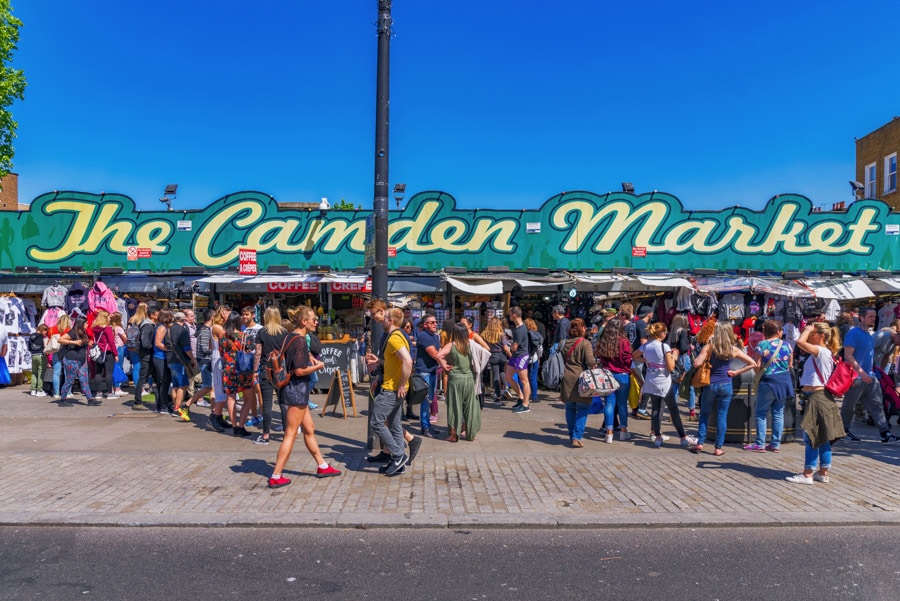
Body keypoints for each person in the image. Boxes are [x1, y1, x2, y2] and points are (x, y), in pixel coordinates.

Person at [268, 306, 341, 488]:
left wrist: (310, 357)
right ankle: (276, 475)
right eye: (313, 319)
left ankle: (322, 465)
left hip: (293, 391)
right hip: (296, 391)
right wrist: (318, 366)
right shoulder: (300, 340)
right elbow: (300, 370)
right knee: (290, 434)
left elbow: (294, 356)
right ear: (304, 321)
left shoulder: (290, 336)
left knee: (309, 429)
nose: (316, 322)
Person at [786, 322, 846, 484]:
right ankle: (823, 472)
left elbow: (799, 343)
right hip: (822, 396)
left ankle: (807, 474)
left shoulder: (821, 351)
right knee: (823, 437)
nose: (809, 337)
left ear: (821, 336)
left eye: (812, 334)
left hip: (816, 397)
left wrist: (806, 329)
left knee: (811, 436)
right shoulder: (824, 353)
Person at [689, 322, 756, 456]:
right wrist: (736, 372)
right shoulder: (733, 349)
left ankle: (700, 443)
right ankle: (718, 448)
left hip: (710, 384)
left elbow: (697, 363)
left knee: (704, 414)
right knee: (722, 416)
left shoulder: (709, 347)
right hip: (726, 384)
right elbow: (752, 363)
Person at [364, 306, 414, 476]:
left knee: (376, 422)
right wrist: (379, 362)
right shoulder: (398, 336)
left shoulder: (395, 338)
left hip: (392, 389)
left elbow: (407, 361)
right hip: (394, 387)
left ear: (391, 321)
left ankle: (399, 455)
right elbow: (395, 362)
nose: (382, 321)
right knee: (394, 425)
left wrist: (401, 384)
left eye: (384, 318)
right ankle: (397, 461)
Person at [839, 307, 900, 443]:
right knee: (850, 405)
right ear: (861, 317)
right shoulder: (854, 333)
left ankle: (885, 433)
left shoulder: (869, 334)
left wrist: (876, 373)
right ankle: (843, 430)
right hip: (857, 377)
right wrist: (861, 372)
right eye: (870, 316)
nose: (874, 319)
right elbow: (848, 356)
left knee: (877, 405)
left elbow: (878, 356)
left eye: (874, 316)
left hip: (870, 377)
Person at [633, 322, 694, 448]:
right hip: (663, 381)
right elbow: (671, 367)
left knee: (655, 408)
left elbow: (634, 356)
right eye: (665, 332)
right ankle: (683, 437)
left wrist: (647, 360)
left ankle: (658, 437)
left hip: (651, 379)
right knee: (673, 409)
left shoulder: (646, 346)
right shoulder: (664, 346)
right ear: (661, 334)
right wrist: (674, 356)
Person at [744, 320, 794, 453]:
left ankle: (760, 443)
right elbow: (790, 365)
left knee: (761, 413)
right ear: (778, 332)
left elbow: (757, 365)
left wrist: (759, 374)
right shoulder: (787, 345)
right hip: (784, 381)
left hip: (768, 381)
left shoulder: (762, 345)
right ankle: (775, 444)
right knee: (778, 413)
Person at [436, 323, 481, 442]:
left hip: (455, 379)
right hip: (469, 379)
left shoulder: (451, 345)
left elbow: (438, 356)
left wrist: (445, 366)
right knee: (470, 407)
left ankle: (454, 435)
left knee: (455, 407)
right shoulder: (469, 344)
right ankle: (471, 434)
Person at [558, 318, 596, 447]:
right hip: (581, 379)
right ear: (583, 328)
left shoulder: (563, 343)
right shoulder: (585, 343)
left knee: (570, 408)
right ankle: (576, 436)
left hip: (566, 378)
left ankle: (571, 435)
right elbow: (591, 362)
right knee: (583, 409)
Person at [595, 318, 633, 443]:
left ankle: (609, 433)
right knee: (622, 404)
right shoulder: (624, 341)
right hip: (622, 374)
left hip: (607, 374)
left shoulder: (604, 341)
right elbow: (628, 358)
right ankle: (623, 431)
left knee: (609, 403)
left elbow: (599, 356)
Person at [220, 311, 255, 437]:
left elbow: (221, 352)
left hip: (228, 369)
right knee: (248, 398)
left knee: (231, 397)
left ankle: (234, 425)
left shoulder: (222, 336)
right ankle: (241, 425)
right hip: (243, 369)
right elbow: (250, 351)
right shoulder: (244, 336)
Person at [57, 317, 100, 407]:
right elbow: (60, 340)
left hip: (82, 360)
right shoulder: (73, 332)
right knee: (69, 380)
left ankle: (90, 399)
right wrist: (74, 342)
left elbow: (83, 343)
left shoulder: (83, 333)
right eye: (86, 323)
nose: (87, 324)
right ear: (81, 323)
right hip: (71, 360)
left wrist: (88, 343)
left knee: (84, 380)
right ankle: (63, 399)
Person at [166, 312, 197, 422]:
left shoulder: (169, 330)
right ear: (184, 320)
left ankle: (175, 406)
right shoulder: (182, 330)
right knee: (183, 385)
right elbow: (187, 348)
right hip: (180, 360)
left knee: (175, 385)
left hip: (170, 359)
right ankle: (177, 408)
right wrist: (193, 359)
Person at [414, 311, 441, 437]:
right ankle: (425, 427)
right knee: (425, 401)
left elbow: (439, 351)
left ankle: (428, 426)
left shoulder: (435, 336)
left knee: (429, 400)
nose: (435, 324)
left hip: (432, 371)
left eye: (436, 322)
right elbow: (435, 354)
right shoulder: (424, 336)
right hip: (424, 372)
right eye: (432, 322)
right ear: (425, 325)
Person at [667, 313, 696, 419]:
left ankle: (672, 412)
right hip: (683, 359)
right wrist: (690, 346)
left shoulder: (671, 333)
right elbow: (684, 347)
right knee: (688, 385)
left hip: (673, 359)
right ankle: (692, 412)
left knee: (674, 385)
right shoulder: (683, 332)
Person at [186, 309, 214, 410]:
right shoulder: (205, 330)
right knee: (207, 386)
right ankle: (187, 404)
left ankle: (215, 412)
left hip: (207, 361)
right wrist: (217, 349)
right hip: (205, 362)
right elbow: (205, 348)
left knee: (211, 388)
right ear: (212, 318)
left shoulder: (206, 329)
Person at [505, 306, 532, 414]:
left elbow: (515, 347)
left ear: (514, 315)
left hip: (521, 355)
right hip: (515, 356)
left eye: (510, 314)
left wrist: (509, 345)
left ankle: (526, 404)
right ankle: (520, 397)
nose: (509, 316)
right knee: (508, 376)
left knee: (524, 379)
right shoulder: (517, 328)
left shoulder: (520, 330)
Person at [132, 304, 157, 411]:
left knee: (154, 377)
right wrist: (154, 347)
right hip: (146, 355)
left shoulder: (148, 324)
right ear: (153, 315)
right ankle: (137, 402)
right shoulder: (148, 326)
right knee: (143, 378)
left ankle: (160, 399)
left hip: (147, 354)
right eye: (158, 313)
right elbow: (145, 342)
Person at [89, 310, 118, 400]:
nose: (110, 318)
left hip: (98, 351)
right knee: (109, 372)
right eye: (109, 316)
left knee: (98, 372)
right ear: (105, 318)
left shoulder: (95, 328)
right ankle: (109, 393)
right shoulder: (107, 328)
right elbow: (111, 342)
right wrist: (115, 354)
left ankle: (99, 392)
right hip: (107, 351)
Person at [151, 310, 174, 414]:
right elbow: (158, 343)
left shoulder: (163, 327)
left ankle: (160, 404)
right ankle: (162, 405)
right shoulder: (162, 328)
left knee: (163, 382)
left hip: (161, 357)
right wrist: (169, 349)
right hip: (160, 357)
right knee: (163, 382)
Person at [481, 317, 508, 403]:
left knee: (496, 375)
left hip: (493, 356)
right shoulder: (501, 334)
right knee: (502, 372)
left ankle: (498, 396)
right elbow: (505, 347)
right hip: (502, 355)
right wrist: (510, 355)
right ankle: (506, 388)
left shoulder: (485, 334)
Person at [49, 313, 71, 399]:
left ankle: (56, 393)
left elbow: (49, 337)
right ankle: (68, 392)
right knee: (68, 373)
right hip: (66, 351)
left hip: (56, 351)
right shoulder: (68, 330)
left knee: (56, 373)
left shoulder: (53, 329)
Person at [525, 318, 543, 404]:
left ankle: (525, 396)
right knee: (533, 377)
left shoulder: (524, 334)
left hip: (524, 358)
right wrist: (539, 357)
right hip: (534, 357)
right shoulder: (537, 335)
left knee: (524, 378)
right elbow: (540, 348)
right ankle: (534, 397)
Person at [109, 312, 128, 397]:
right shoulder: (118, 328)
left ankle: (112, 388)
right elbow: (125, 338)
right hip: (119, 348)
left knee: (112, 368)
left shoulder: (109, 327)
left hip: (112, 348)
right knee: (118, 368)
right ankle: (117, 388)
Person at [28, 324, 49, 397]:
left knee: (34, 372)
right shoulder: (41, 337)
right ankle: (39, 390)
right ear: (43, 330)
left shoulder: (31, 336)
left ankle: (33, 389)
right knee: (41, 373)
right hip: (41, 355)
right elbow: (44, 346)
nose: (46, 333)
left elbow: (29, 347)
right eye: (46, 331)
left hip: (33, 355)